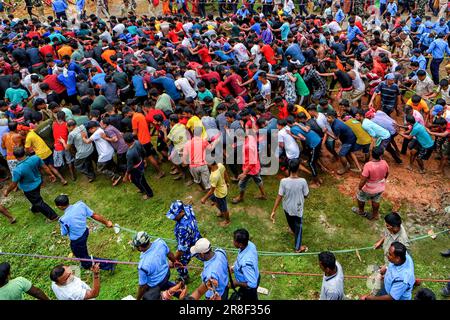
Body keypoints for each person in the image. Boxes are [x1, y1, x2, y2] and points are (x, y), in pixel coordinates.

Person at [54, 194, 116, 271]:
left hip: (77, 240)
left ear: (60, 207)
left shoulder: (63, 219)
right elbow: (94, 215)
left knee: (83, 257)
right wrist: (106, 222)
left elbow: (64, 233)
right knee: (82, 252)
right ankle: (85, 263)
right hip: (85, 232)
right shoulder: (80, 205)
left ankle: (109, 264)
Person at [3, 146, 59, 222]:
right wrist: (51, 174)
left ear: (15, 157)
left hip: (29, 189)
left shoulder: (17, 170)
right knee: (35, 198)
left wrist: (7, 191)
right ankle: (35, 209)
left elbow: (13, 184)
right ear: (24, 152)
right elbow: (45, 167)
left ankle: (53, 217)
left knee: (38, 202)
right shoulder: (35, 158)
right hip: (38, 182)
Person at [270, 158, 309, 253]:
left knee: (290, 221)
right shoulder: (303, 181)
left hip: (286, 207)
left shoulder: (283, 181)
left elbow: (279, 196)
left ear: (289, 168)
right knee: (298, 227)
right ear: (298, 168)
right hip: (298, 209)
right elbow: (306, 194)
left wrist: (273, 210)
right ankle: (298, 248)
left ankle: (292, 230)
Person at [132, 231, 181, 300]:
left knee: (147, 296)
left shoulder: (142, 266)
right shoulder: (160, 243)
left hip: (156, 284)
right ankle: (180, 292)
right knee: (164, 284)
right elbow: (170, 254)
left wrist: (138, 299)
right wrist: (175, 261)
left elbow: (143, 286)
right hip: (167, 274)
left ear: (140, 247)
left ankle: (162, 297)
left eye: (136, 246)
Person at [165, 200, 201, 283]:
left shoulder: (183, 229)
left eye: (175, 215)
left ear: (181, 212)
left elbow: (182, 249)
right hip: (196, 236)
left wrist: (173, 261)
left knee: (180, 261)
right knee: (203, 252)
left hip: (189, 244)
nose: (173, 218)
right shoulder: (187, 208)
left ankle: (184, 277)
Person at [352, 146, 390, 221]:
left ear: (372, 154)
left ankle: (361, 212)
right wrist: (383, 180)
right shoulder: (385, 163)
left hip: (369, 188)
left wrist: (360, 188)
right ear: (381, 155)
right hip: (380, 187)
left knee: (361, 197)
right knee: (376, 200)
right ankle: (375, 215)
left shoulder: (368, 165)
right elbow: (387, 173)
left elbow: (363, 180)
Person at [230, 228, 260, 301]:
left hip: (249, 289)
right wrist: (234, 268)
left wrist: (237, 283)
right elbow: (241, 258)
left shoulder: (246, 264)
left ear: (240, 244)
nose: (232, 241)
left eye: (234, 240)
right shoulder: (250, 244)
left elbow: (252, 284)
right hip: (255, 275)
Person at [123, 132, 154, 200]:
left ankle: (149, 194)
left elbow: (129, 166)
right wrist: (144, 160)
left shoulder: (129, 153)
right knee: (134, 180)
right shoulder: (137, 142)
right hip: (141, 162)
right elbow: (144, 152)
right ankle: (142, 189)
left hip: (136, 168)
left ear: (126, 142)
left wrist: (126, 176)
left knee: (142, 181)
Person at [201, 161, 230, 227]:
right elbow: (225, 173)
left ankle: (227, 220)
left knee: (224, 208)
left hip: (220, 193)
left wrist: (204, 198)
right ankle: (221, 211)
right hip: (221, 188)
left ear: (209, 164)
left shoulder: (214, 176)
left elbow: (211, 190)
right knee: (213, 199)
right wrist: (227, 182)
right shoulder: (220, 165)